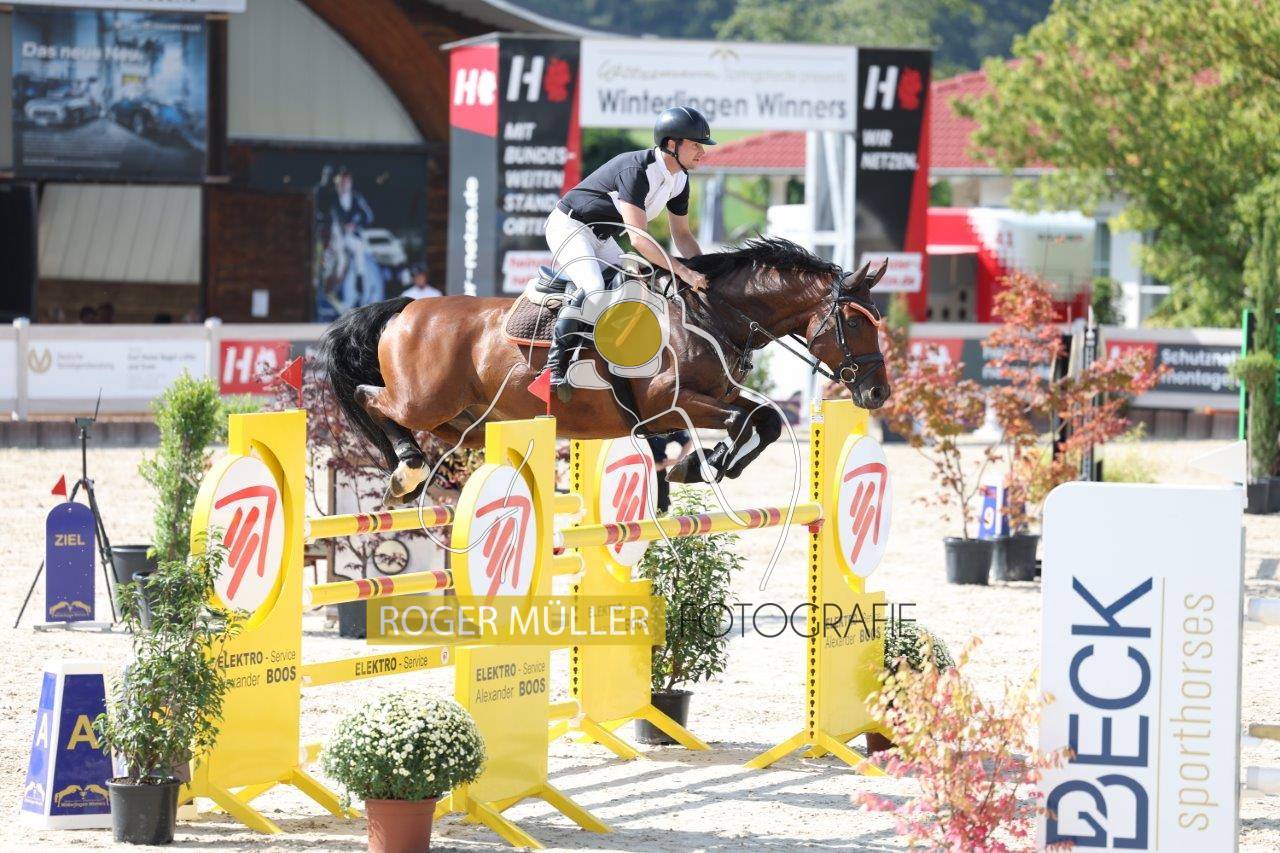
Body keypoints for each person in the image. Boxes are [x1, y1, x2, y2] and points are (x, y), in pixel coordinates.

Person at [544, 106, 716, 402]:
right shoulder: (637, 170)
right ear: (672, 144)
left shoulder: (680, 179)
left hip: (602, 238)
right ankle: (554, 366)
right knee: (595, 289)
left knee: (637, 290)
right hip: (570, 227)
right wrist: (684, 272)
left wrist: (707, 270)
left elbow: (682, 236)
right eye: (696, 145)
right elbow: (638, 239)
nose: (703, 151)